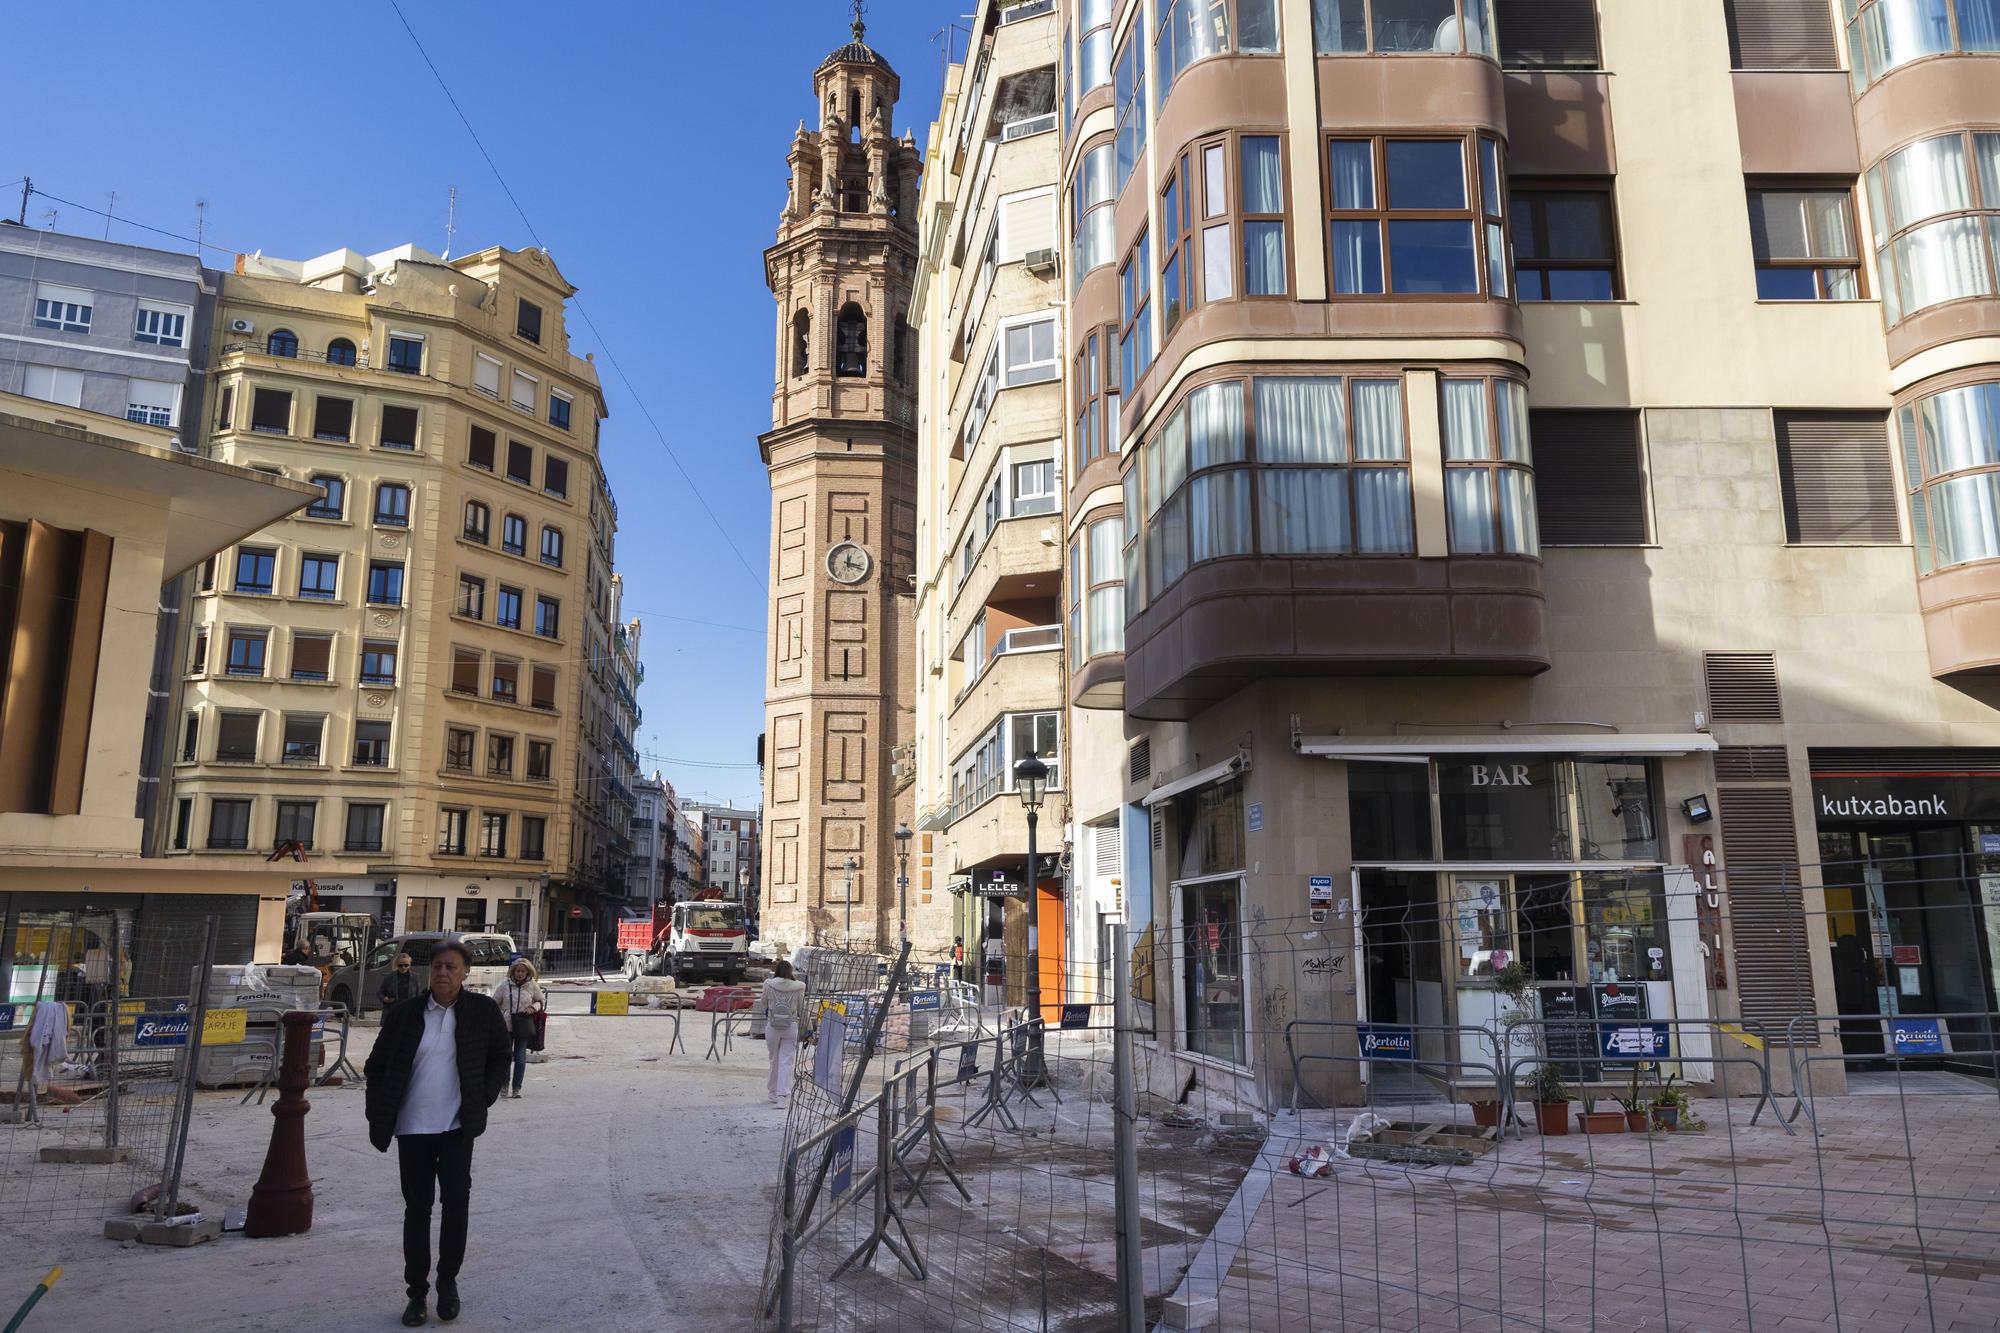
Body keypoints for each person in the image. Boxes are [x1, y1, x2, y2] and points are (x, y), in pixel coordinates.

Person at [363, 941, 511, 1327]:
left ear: (465, 973)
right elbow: (375, 1067)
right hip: (413, 1129)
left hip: (457, 1129)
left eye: (451, 967)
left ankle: (448, 1284)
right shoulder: (405, 1014)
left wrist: (485, 1095)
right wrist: (377, 1111)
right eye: (438, 967)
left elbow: (501, 1055)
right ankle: (416, 1294)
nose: (443, 973)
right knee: (417, 1211)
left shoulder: (481, 1011)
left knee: (456, 1205)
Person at [754, 961, 807, 1107]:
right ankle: (782, 1096)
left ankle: (772, 1092)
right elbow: (802, 1008)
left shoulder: (768, 984)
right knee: (786, 1061)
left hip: (773, 1025)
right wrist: (808, 1028)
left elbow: (763, 1002)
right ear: (790, 971)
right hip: (791, 1025)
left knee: (774, 1059)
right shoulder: (800, 987)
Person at [491, 959, 545, 1099]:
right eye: (517, 971)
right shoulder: (504, 985)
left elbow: (540, 1001)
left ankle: (517, 1088)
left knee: (520, 1058)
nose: (520, 974)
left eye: (523, 971)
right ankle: (504, 1085)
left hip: (523, 1025)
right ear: (513, 971)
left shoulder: (532, 985)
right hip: (506, 1026)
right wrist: (498, 1017)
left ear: (527, 972)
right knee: (506, 1057)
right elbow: (494, 1003)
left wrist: (533, 1008)